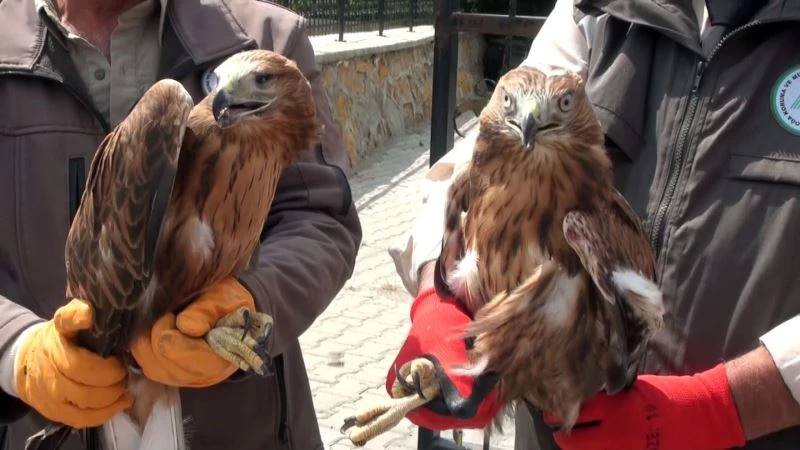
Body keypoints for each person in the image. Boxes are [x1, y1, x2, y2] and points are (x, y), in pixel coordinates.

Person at [386, 0, 800, 449]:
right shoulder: (598, 10)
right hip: (558, 433)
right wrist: (436, 297)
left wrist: (723, 407)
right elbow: (483, 158)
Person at [0, 0, 362, 448]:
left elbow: (320, 217)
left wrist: (254, 299)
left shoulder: (263, 36)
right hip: (47, 424)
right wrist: (13, 349)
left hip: (244, 427)